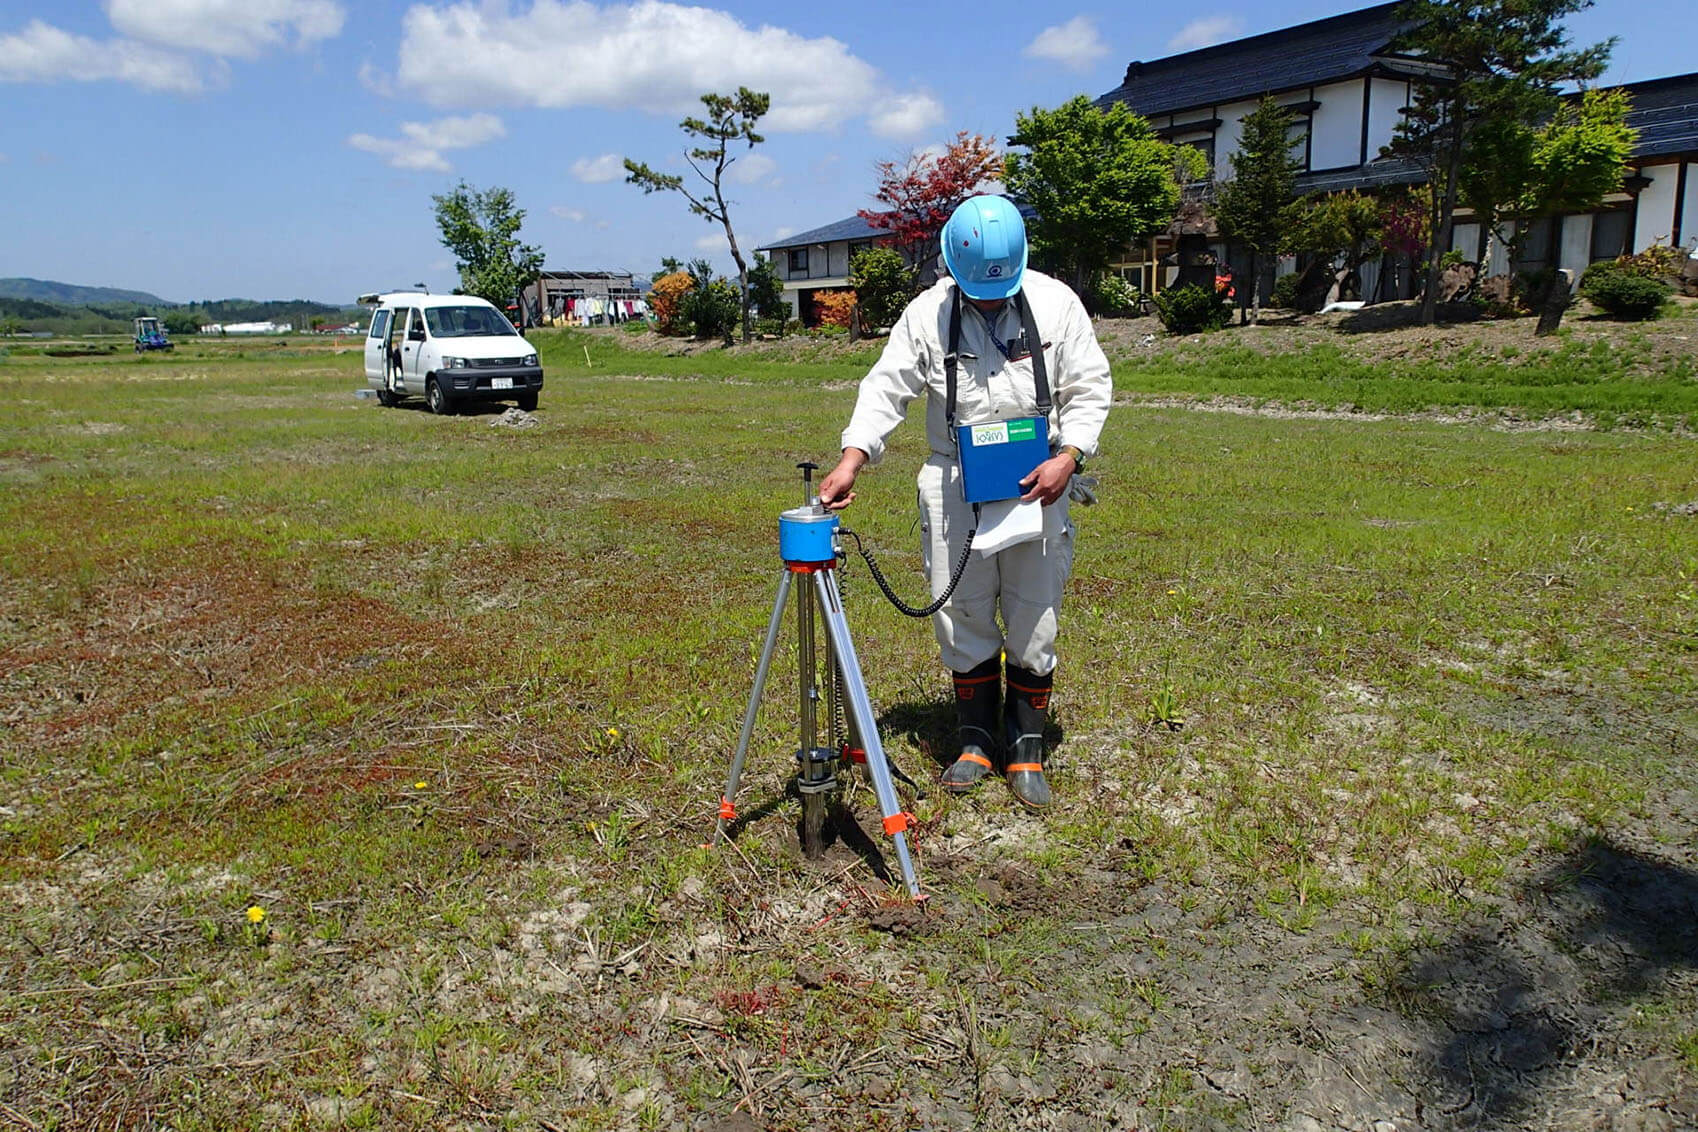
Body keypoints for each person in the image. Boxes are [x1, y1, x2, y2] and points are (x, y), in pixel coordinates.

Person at [818, 195, 1112, 809]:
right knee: (963, 610)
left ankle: (1026, 746)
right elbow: (886, 388)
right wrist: (853, 458)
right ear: (954, 267)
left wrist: (1071, 456)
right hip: (954, 479)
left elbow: (1089, 385)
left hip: (1039, 477)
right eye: (977, 290)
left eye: (997, 290)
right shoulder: (926, 314)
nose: (987, 299)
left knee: (1034, 613)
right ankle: (976, 738)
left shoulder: (1057, 304)